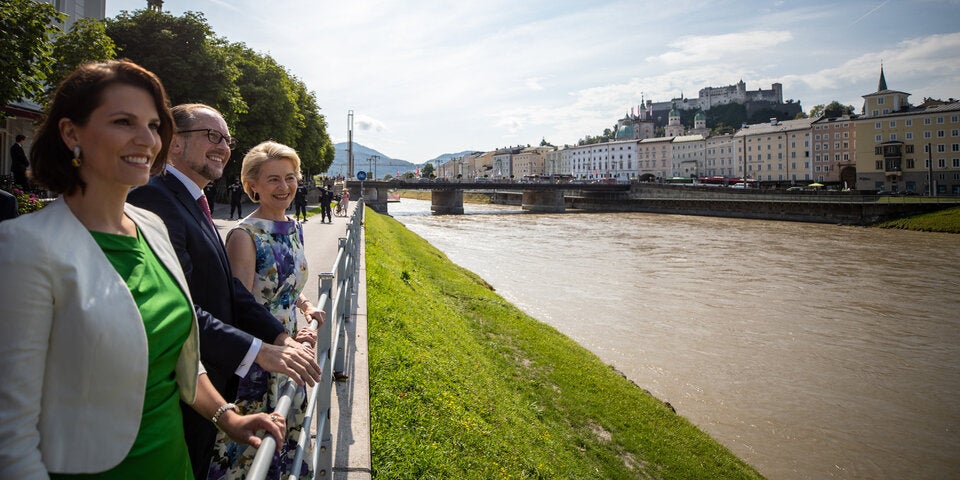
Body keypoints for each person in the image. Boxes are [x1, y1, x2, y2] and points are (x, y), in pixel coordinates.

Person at [0, 59, 284, 479]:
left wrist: (227, 417)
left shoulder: (151, 226)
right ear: (71, 133)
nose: (147, 139)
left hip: (173, 463)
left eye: (153, 125)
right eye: (123, 121)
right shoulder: (23, 247)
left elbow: (178, 351)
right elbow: (11, 434)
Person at [127, 103, 321, 478]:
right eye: (212, 136)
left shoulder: (191, 200)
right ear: (174, 142)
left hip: (214, 375)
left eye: (227, 139)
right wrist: (259, 351)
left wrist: (281, 337)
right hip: (187, 383)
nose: (223, 146)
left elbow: (231, 292)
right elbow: (177, 307)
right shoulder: (154, 198)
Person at [208, 141, 324, 479]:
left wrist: (306, 305)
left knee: (287, 446)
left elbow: (285, 285)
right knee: (253, 457)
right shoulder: (244, 236)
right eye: (273, 179)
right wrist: (281, 340)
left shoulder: (294, 227)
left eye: (290, 177)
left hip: (291, 356)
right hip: (261, 363)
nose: (284, 186)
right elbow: (241, 307)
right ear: (252, 185)